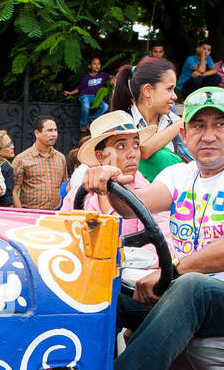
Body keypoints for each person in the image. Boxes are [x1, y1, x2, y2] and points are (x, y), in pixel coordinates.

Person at [80, 86, 224, 370]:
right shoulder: (179, 174)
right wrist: (108, 180)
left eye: (220, 124)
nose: (208, 135)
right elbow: (130, 205)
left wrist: (172, 273)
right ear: (184, 132)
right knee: (103, 287)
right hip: (190, 300)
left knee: (192, 286)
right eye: (198, 125)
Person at [60, 111, 174, 260]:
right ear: (101, 157)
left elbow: (162, 251)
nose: (133, 153)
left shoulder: (149, 195)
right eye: (121, 146)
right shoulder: (78, 194)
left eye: (136, 145)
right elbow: (60, 235)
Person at [110, 57, 191, 164]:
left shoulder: (173, 122)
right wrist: (182, 121)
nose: (174, 96)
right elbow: (143, 150)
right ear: (148, 90)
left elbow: (194, 161)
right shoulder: (123, 122)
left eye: (174, 90)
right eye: (169, 89)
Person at [11, 117, 68, 210]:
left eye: (55, 130)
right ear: (37, 133)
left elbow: (63, 184)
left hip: (55, 212)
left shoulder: (60, 158)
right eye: (49, 130)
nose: (54, 134)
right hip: (30, 212)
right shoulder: (22, 159)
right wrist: (20, 212)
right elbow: (14, 190)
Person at [64, 56, 112, 131]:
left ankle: (91, 120)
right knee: (86, 107)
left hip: (95, 97)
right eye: (94, 64)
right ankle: (83, 123)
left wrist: (112, 79)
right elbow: (79, 88)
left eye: (98, 64)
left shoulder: (102, 75)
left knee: (105, 106)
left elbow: (112, 76)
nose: (97, 66)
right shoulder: (86, 77)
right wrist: (70, 93)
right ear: (89, 66)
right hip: (85, 96)